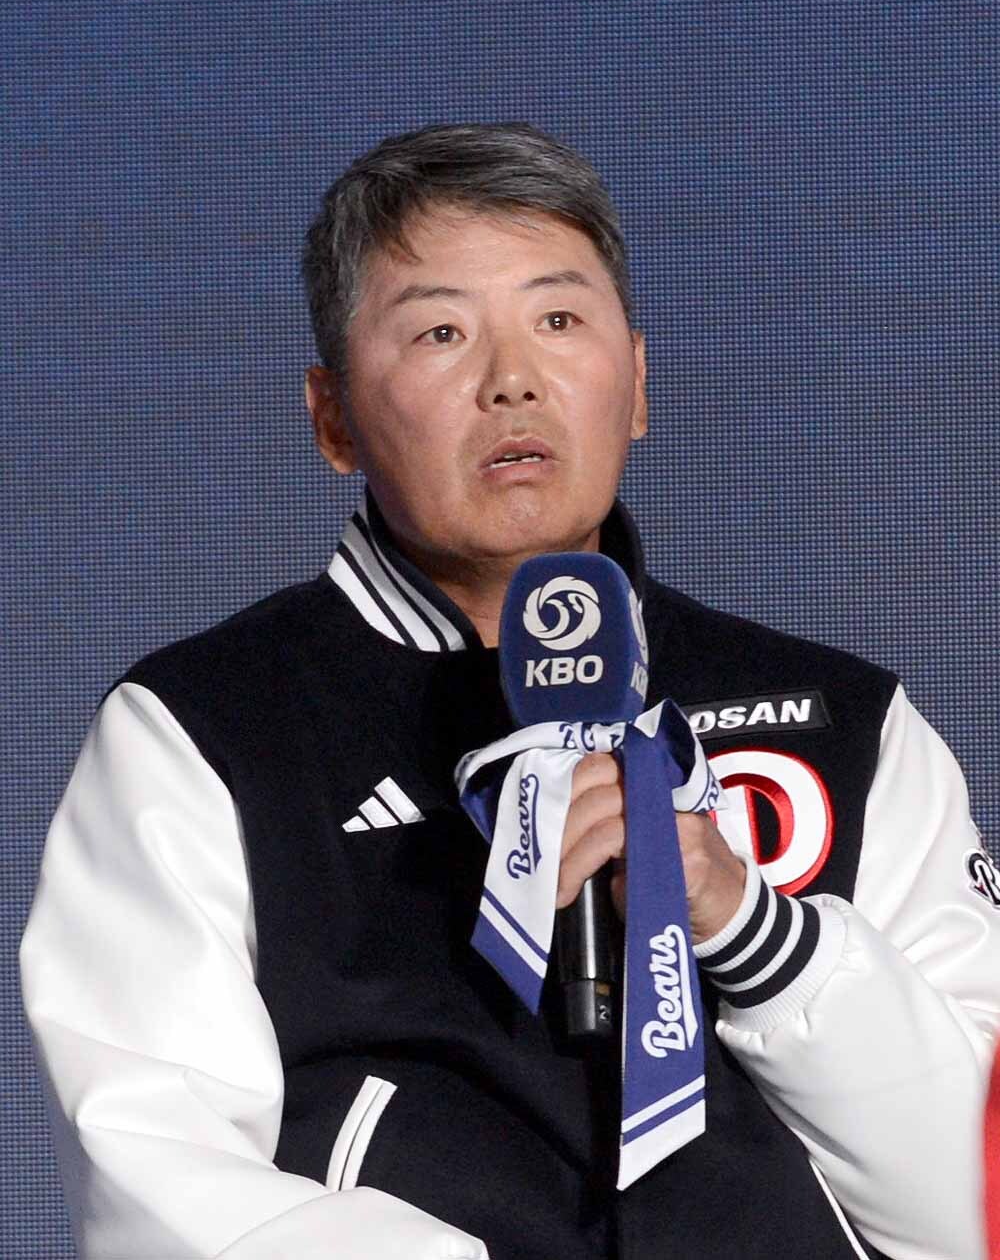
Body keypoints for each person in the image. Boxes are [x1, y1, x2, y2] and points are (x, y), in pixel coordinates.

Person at [20, 122, 1000, 1260]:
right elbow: (159, 1176)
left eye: (559, 320)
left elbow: (974, 1200)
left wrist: (752, 927)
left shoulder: (845, 724)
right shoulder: (202, 729)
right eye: (441, 331)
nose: (512, 380)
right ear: (332, 416)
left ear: (638, 382)